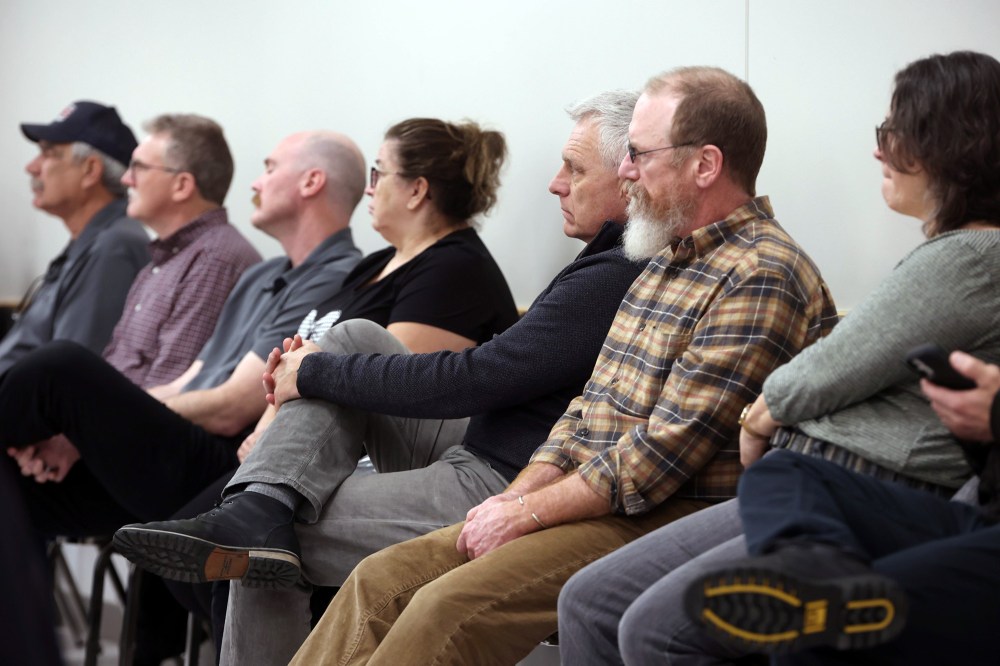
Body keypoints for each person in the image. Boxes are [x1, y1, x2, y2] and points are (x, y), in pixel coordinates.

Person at [288, 65, 838, 666]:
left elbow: (661, 455)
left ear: (704, 165)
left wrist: (527, 511)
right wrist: (514, 499)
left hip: (671, 511)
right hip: (599, 496)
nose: (627, 171)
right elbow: (586, 410)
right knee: (380, 579)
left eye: (639, 154)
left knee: (443, 608)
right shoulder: (663, 260)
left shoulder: (759, 272)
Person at [116, 90, 648, 665]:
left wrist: (315, 373)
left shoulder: (610, 272)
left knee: (268, 544)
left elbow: (474, 379)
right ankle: (261, 502)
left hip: (505, 479)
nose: (555, 184)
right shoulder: (603, 260)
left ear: (629, 178)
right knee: (353, 336)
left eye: (574, 169)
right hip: (478, 445)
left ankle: (261, 514)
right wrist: (315, 371)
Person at [556, 50, 1000, 666]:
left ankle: (814, 588)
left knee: (649, 627)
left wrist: (763, 413)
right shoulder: (661, 260)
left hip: (851, 485)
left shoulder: (968, 256)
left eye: (894, 131)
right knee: (590, 601)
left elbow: (828, 369)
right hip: (804, 480)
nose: (878, 150)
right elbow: (589, 401)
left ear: (952, 144)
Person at [1, 129, 367, 526]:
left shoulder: (338, 277)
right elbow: (189, 379)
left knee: (59, 367)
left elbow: (232, 407)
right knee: (15, 485)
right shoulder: (261, 275)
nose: (255, 183)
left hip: (222, 467)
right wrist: (89, 430)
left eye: (269, 168)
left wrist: (94, 422)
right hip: (178, 450)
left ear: (311, 182)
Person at [683, 350, 1000, 666]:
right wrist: (979, 431)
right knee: (780, 470)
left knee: (818, 631)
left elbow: (850, 353)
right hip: (983, 514)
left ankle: (822, 607)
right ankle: (815, 571)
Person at [102, 113, 263, 389]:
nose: (126, 179)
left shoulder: (213, 260)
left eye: (138, 167)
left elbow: (167, 393)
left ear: (182, 185)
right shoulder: (166, 258)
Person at [0, 100, 149, 375]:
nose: (32, 167)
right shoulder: (92, 242)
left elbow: (68, 375)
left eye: (48, 154)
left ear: (90, 170)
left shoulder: (114, 248)